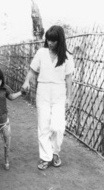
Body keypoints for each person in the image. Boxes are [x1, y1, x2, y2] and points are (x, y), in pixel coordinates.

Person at [22, 25, 74, 170]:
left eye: (53, 40)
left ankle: (55, 152)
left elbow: (69, 78)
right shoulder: (41, 53)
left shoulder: (67, 57)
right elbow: (32, 70)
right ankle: (45, 157)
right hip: (43, 90)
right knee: (43, 126)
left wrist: (69, 97)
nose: (50, 43)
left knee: (58, 127)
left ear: (60, 40)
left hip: (59, 92)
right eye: (48, 40)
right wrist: (26, 81)